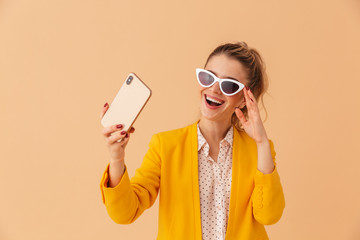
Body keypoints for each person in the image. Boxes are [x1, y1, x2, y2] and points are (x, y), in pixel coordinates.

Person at [99, 41, 285, 240]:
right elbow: (125, 212)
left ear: (243, 99)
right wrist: (116, 159)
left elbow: (269, 215)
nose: (214, 89)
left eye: (229, 85)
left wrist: (262, 143)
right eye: (208, 77)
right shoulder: (165, 146)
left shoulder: (258, 151)